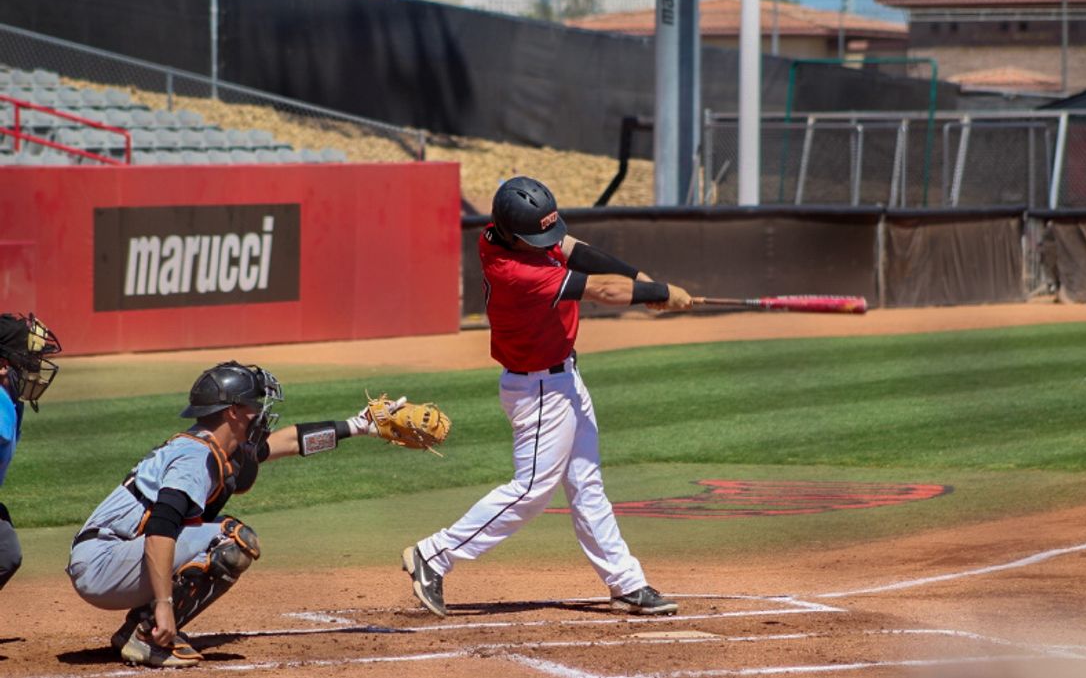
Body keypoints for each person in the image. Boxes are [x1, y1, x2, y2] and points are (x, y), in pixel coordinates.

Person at [401, 175, 692, 618]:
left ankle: (626, 583)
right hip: (538, 390)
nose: (547, 243)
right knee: (532, 491)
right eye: (538, 237)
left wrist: (638, 277)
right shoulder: (517, 271)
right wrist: (659, 293)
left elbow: (575, 249)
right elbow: (601, 290)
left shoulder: (508, 237)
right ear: (513, 236)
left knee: (587, 483)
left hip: (563, 379)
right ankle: (433, 555)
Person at [68, 361, 377, 668]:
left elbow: (291, 441)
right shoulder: (195, 458)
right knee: (231, 541)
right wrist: (164, 604)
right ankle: (151, 633)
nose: (261, 412)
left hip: (115, 554)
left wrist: (358, 426)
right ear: (232, 411)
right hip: (102, 563)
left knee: (224, 534)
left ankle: (135, 629)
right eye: (254, 404)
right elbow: (161, 529)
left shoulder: (219, 445)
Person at [0, 312, 63, 591]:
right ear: (3, 364)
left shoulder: (11, 402)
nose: (35, 369)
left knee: (5, 553)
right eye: (28, 361)